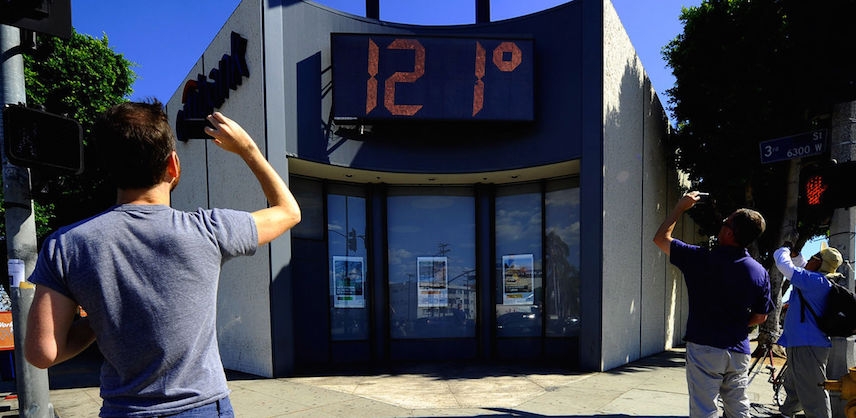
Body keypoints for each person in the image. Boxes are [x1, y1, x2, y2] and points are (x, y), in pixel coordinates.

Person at [23, 101, 301, 417]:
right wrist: (248, 149)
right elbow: (289, 211)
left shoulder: (66, 245)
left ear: (110, 169)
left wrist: (99, 321)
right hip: (201, 408)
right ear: (173, 165)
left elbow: (43, 353)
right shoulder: (208, 230)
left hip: (123, 410)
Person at [653, 191, 773, 418]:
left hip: (705, 346)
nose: (722, 224)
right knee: (738, 408)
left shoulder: (701, 258)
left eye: (725, 222)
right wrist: (737, 324)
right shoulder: (759, 272)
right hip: (739, 350)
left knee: (704, 410)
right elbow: (760, 317)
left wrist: (680, 207)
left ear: (729, 232)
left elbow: (661, 238)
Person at [773, 242, 843, 418]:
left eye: (814, 257)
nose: (810, 259)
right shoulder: (815, 279)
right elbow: (802, 265)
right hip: (802, 342)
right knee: (794, 386)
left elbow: (783, 265)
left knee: (814, 393)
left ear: (820, 264)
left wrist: (784, 250)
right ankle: (787, 413)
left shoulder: (814, 281)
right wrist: (796, 255)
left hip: (808, 345)